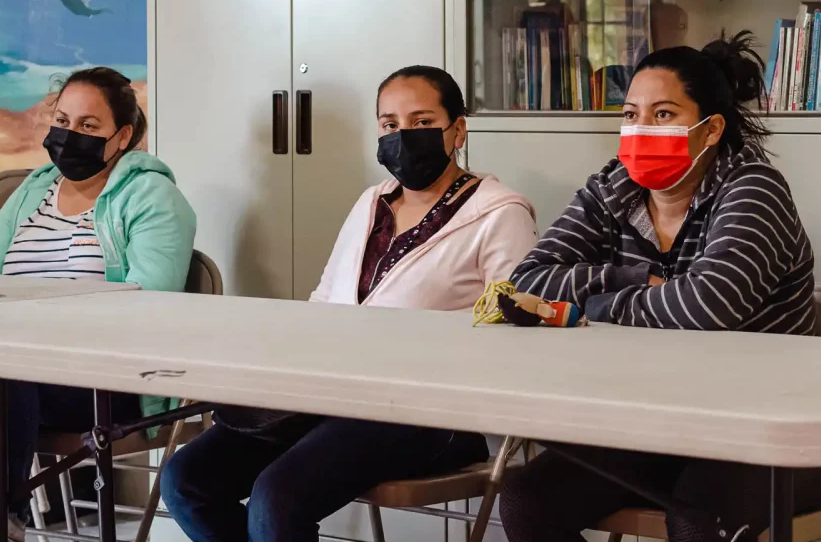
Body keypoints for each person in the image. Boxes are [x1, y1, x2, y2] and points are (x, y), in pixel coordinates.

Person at [160, 65, 538, 542]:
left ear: (457, 129)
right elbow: (327, 300)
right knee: (186, 479)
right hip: (330, 393)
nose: (403, 136)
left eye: (422, 122)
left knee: (276, 498)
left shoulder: (500, 212)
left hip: (426, 410)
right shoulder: (372, 202)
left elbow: (509, 332)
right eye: (389, 125)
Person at [498, 33, 821, 542]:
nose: (640, 129)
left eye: (662, 115)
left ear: (711, 130)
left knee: (697, 522)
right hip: (654, 426)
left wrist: (596, 305)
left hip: (767, 431)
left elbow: (706, 305)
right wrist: (633, 279)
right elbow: (525, 282)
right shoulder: (613, 188)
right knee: (528, 499)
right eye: (631, 114)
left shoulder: (752, 188)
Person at [0, 67, 196, 542]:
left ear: (123, 135)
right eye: (64, 121)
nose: (71, 136)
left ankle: (3, 511)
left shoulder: (152, 197)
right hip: (11, 365)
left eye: (89, 127)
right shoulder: (32, 190)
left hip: (100, 378)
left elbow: (150, 305)